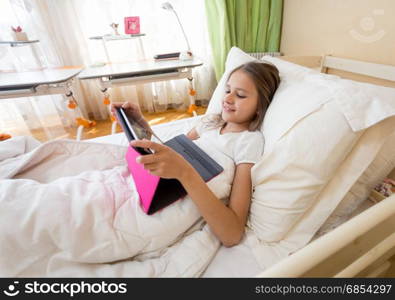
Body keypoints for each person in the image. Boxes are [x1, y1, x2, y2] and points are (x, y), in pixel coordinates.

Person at [111, 61, 280, 247]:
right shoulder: (209, 122)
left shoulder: (249, 141)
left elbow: (232, 234)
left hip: (176, 199)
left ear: (259, 107)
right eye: (227, 90)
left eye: (240, 95)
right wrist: (142, 128)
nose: (228, 98)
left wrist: (186, 173)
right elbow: (172, 154)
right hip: (152, 185)